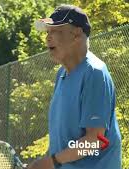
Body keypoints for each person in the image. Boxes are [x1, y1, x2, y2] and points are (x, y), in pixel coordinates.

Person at [27, 4, 122, 169]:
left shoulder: (94, 72)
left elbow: (96, 140)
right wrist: (45, 161)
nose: (48, 38)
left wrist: (51, 162)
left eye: (55, 31)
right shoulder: (61, 75)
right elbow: (60, 143)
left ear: (76, 34)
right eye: (47, 32)